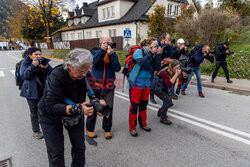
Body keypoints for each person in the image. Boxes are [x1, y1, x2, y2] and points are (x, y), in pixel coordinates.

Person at [38, 48, 102, 167]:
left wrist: (101, 103)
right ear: (69, 66)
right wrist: (78, 109)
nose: (84, 74)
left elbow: (95, 90)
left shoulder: (86, 72)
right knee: (56, 151)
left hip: (75, 110)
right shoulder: (56, 76)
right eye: (80, 71)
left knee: (79, 147)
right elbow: (51, 106)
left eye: (86, 70)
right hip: (50, 114)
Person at [86, 35, 121, 139]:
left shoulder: (112, 53)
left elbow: (117, 68)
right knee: (93, 108)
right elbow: (93, 63)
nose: (109, 44)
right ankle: (90, 129)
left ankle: (107, 129)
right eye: (106, 42)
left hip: (109, 87)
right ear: (101, 43)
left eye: (110, 42)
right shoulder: (94, 52)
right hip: (95, 86)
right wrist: (102, 51)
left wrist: (112, 55)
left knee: (108, 109)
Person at [128, 37, 161, 137]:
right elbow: (142, 63)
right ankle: (132, 127)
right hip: (137, 83)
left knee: (143, 105)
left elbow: (157, 67)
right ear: (148, 45)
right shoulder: (139, 51)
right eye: (155, 45)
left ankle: (143, 124)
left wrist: (158, 55)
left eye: (157, 45)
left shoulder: (154, 54)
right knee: (134, 106)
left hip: (147, 83)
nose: (156, 47)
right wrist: (151, 53)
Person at [20, 47, 52, 139]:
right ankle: (36, 130)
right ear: (30, 55)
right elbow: (24, 75)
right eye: (36, 54)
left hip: (44, 90)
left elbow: (53, 73)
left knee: (45, 109)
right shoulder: (25, 63)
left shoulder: (43, 61)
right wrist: (33, 66)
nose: (38, 56)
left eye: (39, 54)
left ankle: (48, 127)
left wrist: (46, 68)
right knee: (34, 111)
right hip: (31, 92)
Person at [155, 59, 186, 125]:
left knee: (169, 102)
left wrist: (185, 75)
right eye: (176, 68)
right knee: (167, 100)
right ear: (172, 67)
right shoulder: (164, 72)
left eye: (179, 67)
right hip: (157, 88)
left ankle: (160, 112)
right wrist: (177, 74)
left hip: (164, 88)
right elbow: (169, 84)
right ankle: (163, 118)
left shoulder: (174, 72)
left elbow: (184, 81)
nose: (178, 69)